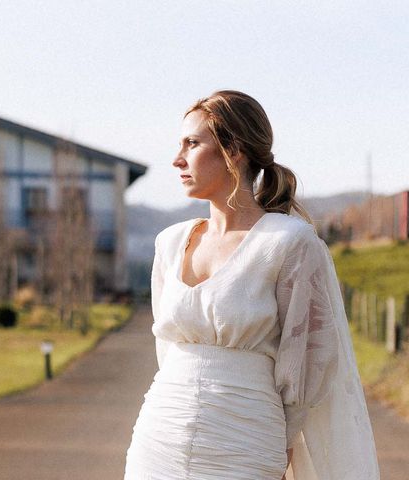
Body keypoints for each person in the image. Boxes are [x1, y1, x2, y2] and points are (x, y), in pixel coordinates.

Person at [124, 90, 380, 479]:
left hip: (245, 438)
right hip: (160, 431)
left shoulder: (288, 242)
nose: (177, 159)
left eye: (192, 143)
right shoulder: (170, 243)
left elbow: (309, 363)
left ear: (235, 150)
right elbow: (167, 347)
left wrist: (283, 439)